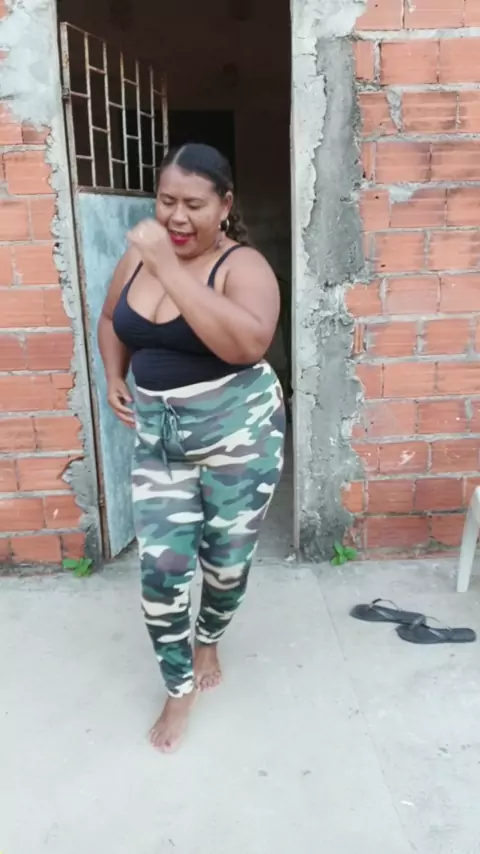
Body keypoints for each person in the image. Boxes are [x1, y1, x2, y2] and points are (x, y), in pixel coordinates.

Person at [98, 143, 286, 753]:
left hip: (240, 436)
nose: (177, 217)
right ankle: (178, 688)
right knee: (161, 572)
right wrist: (114, 374)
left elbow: (246, 345)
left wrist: (169, 266)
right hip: (160, 438)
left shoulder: (243, 266)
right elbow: (112, 319)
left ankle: (209, 638)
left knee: (225, 566)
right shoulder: (138, 256)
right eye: (166, 201)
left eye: (194, 205)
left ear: (225, 205)